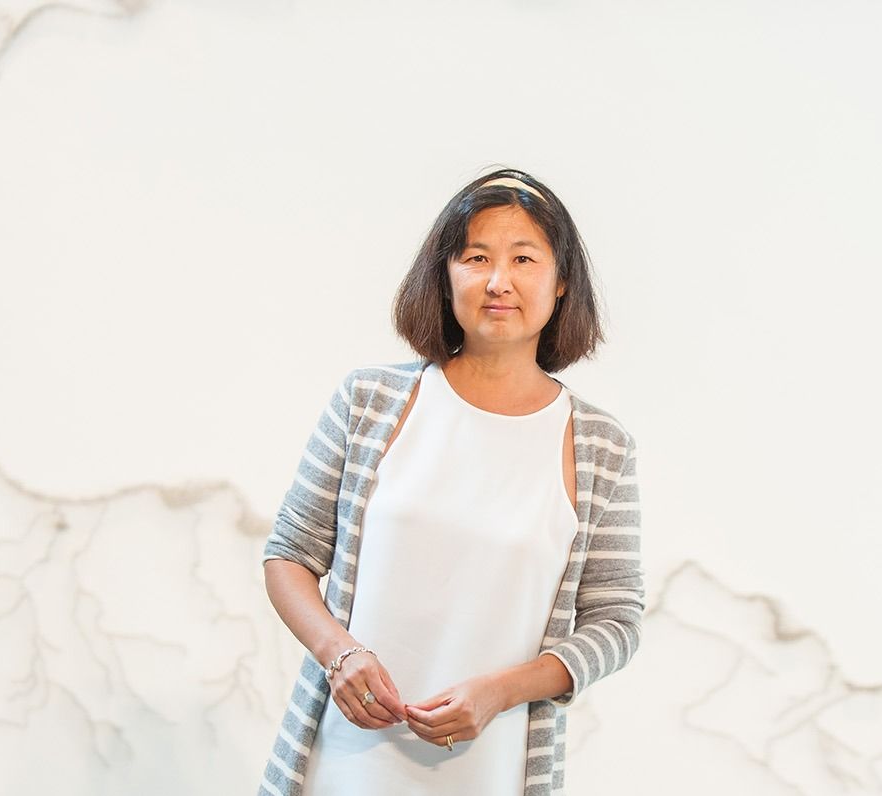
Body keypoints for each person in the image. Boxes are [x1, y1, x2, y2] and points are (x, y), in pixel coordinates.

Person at [256, 168, 645, 796]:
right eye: (476, 257)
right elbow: (288, 556)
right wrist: (340, 654)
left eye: (524, 258)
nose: (499, 281)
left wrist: (501, 690)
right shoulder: (370, 401)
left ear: (561, 281)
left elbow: (617, 620)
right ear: (446, 275)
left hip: (494, 773)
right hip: (340, 767)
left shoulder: (601, 447)